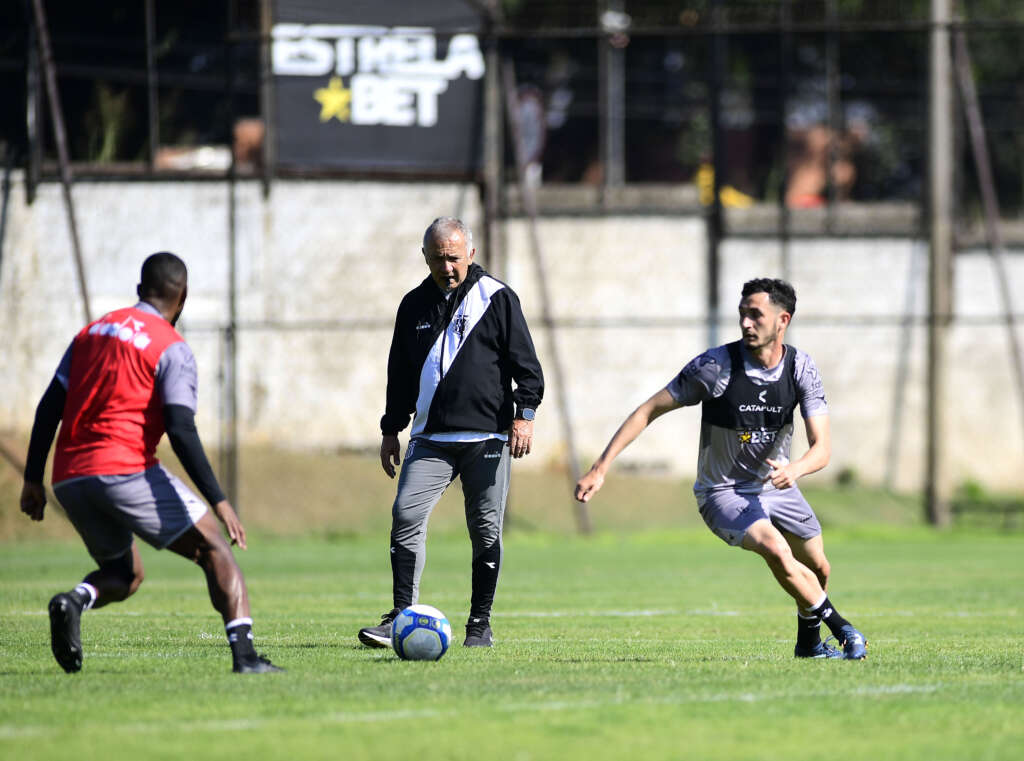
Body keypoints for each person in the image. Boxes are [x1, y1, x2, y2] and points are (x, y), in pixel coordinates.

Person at [575, 278, 867, 660]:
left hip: (777, 486)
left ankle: (809, 645)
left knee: (818, 569)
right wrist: (600, 467)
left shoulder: (801, 368)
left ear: (783, 320)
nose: (746, 323)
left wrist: (795, 471)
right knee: (777, 550)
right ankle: (844, 629)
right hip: (723, 492)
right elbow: (648, 409)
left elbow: (822, 449)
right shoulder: (715, 368)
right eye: (742, 314)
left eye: (755, 315)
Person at [20, 252, 282, 675]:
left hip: (69, 477)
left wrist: (33, 479)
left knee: (124, 574)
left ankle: (74, 600)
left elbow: (49, 406)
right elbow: (181, 428)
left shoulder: (91, 332)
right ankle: (246, 657)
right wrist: (219, 500)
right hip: (124, 468)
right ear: (183, 297)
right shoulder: (171, 348)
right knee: (214, 548)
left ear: (140, 289)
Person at [358, 217, 544, 649]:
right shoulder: (413, 305)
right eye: (438, 258)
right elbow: (399, 374)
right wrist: (391, 430)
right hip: (430, 440)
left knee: (485, 531)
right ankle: (402, 617)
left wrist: (525, 414)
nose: (447, 266)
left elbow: (528, 368)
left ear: (471, 255)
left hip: (487, 440)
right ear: (425, 257)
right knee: (405, 515)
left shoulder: (496, 298)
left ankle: (479, 624)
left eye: (454, 257)